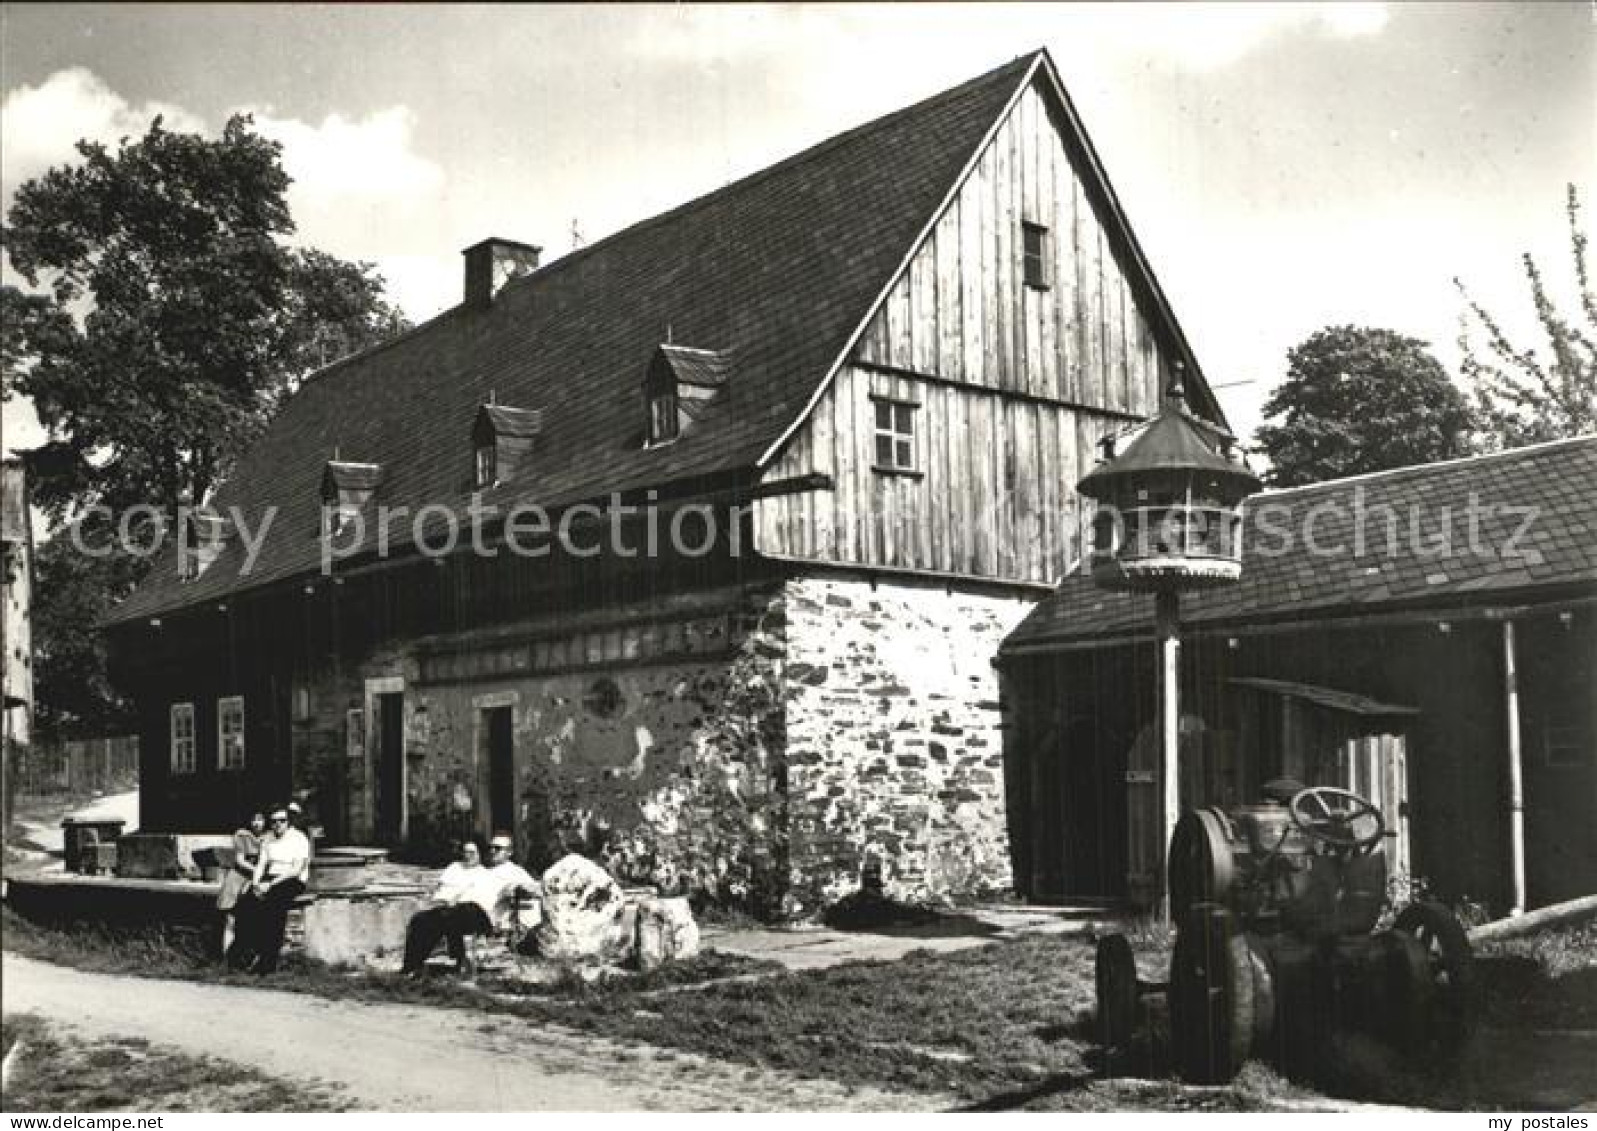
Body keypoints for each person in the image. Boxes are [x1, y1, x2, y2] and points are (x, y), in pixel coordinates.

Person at [228, 806, 311, 974]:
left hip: (291, 879)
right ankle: (241, 956)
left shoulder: (299, 838)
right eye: (274, 821)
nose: (278, 824)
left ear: (289, 822)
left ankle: (267, 963)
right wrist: (257, 883)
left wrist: (270, 885)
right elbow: (261, 865)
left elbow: (296, 869)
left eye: (282, 820)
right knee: (246, 905)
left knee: (273, 908)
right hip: (270, 877)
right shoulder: (268, 839)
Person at [399, 838, 489, 978]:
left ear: (480, 854)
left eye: (472, 852)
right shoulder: (454, 867)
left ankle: (460, 961)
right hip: (445, 908)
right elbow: (440, 888)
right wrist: (435, 900)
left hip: (470, 912)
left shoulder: (483, 873)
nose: (468, 856)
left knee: (454, 915)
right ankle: (411, 966)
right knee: (419, 920)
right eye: (465, 852)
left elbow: (477, 899)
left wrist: (453, 900)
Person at [217, 811, 266, 957]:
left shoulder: (269, 838)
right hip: (238, 878)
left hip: (256, 880)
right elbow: (240, 860)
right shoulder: (242, 835)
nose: (257, 823)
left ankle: (248, 956)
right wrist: (258, 869)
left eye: (260, 820)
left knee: (253, 918)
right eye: (254, 820)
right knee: (231, 919)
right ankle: (226, 957)